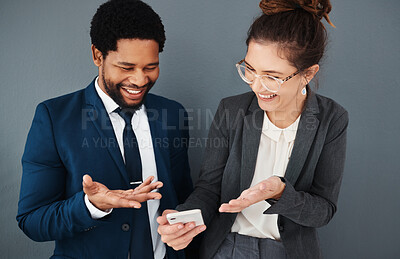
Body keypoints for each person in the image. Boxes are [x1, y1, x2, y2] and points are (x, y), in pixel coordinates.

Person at [157, 0, 348, 258]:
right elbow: (209, 189)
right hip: (225, 248)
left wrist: (281, 193)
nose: (257, 86)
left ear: (308, 74)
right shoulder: (231, 110)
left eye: (272, 76)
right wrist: (185, 221)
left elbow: (323, 210)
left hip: (289, 251)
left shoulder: (331, 119)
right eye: (250, 70)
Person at [16, 0, 194, 258]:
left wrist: (182, 222)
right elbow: (32, 220)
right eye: (126, 67)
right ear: (97, 55)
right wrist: (91, 206)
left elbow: (182, 196)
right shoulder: (54, 118)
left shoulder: (173, 114)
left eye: (150, 67)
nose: (139, 80)